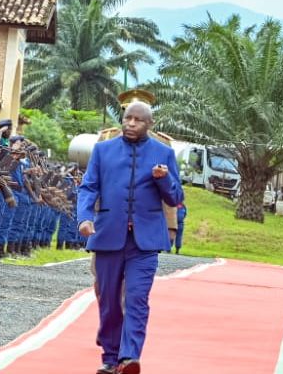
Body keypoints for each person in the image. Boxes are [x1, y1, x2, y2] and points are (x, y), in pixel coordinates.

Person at [77, 101, 183, 374]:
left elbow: (175, 197)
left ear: (150, 124)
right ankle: (110, 357)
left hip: (145, 243)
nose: (131, 123)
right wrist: (85, 217)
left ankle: (129, 357)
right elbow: (89, 187)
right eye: (127, 118)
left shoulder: (164, 153)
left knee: (137, 298)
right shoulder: (103, 150)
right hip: (108, 236)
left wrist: (163, 179)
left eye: (138, 120)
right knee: (109, 301)